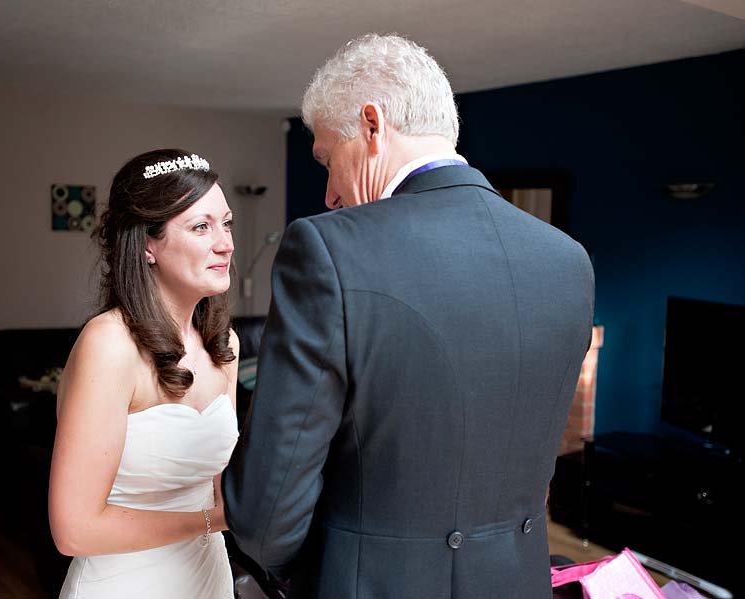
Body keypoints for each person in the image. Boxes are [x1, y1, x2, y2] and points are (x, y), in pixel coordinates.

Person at [223, 33, 595, 599]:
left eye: (327, 159)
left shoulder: (328, 251)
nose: (329, 194)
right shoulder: (569, 260)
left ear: (374, 126)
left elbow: (266, 513)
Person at [48, 149, 240, 598]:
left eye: (226, 223)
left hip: (209, 577)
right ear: (148, 244)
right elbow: (73, 530)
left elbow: (222, 485)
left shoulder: (224, 344)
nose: (226, 243)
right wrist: (215, 521)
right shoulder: (109, 344)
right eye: (201, 227)